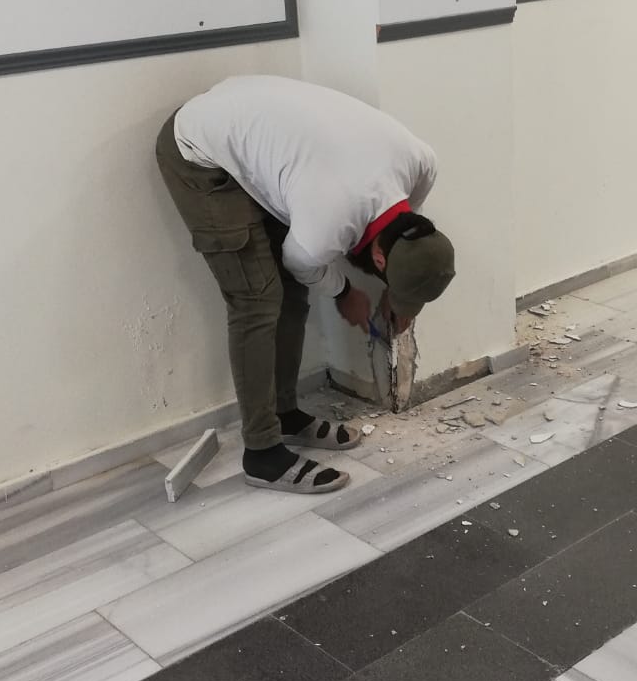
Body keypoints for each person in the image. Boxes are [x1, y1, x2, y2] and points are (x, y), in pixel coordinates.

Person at [156, 75, 455, 494]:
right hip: (198, 149)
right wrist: (344, 293)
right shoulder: (332, 215)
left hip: (256, 124)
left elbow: (397, 236)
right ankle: (261, 454)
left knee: (292, 293)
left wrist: (396, 291)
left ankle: (284, 415)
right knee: (257, 299)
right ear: (380, 258)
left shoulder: (422, 163)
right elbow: (300, 260)